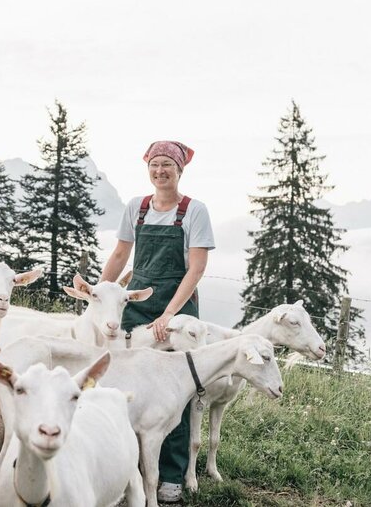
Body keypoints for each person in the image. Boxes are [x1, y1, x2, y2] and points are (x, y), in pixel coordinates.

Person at [100, 140, 215, 503]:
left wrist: (170, 314)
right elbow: (121, 253)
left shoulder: (195, 211)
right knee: (125, 383)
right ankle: (128, 466)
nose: (160, 171)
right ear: (147, 168)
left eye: (168, 165)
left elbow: (196, 268)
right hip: (136, 308)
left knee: (175, 392)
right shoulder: (137, 207)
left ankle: (171, 474)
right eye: (155, 164)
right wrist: (99, 295)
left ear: (180, 170)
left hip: (178, 311)